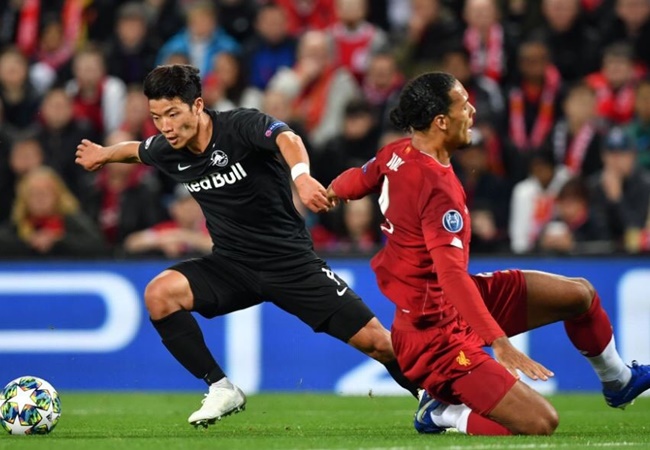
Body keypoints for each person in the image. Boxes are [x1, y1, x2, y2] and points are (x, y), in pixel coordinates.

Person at [75, 64, 420, 428]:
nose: (165, 127)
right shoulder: (168, 148)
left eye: (173, 114)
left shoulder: (239, 126)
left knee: (379, 343)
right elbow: (136, 150)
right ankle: (221, 387)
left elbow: (287, 138)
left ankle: (438, 398)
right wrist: (104, 153)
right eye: (157, 117)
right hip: (232, 267)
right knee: (160, 294)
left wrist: (301, 177)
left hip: (290, 263)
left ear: (197, 105)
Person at [326, 72, 650, 436]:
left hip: (455, 304)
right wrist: (500, 342)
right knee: (540, 423)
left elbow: (361, 177)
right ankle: (442, 412)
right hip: (433, 336)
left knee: (579, 295)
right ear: (441, 121)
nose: (472, 111)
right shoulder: (437, 188)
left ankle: (618, 381)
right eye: (464, 105)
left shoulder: (398, 153)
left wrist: (331, 191)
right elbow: (450, 276)